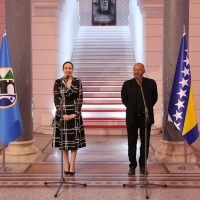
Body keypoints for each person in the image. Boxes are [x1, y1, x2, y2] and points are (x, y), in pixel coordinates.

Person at [121, 62, 158, 175]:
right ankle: (132, 165)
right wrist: (132, 108)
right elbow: (124, 99)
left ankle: (143, 165)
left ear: (143, 71)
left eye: (139, 70)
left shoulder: (151, 83)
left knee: (145, 143)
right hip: (132, 118)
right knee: (131, 143)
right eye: (135, 69)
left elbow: (154, 98)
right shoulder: (127, 84)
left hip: (145, 118)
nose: (136, 72)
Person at [52, 61, 86, 176]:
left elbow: (80, 98)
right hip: (62, 114)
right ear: (63, 70)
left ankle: (73, 164)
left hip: (74, 114)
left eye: (70, 68)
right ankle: (66, 163)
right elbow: (56, 98)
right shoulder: (58, 82)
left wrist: (75, 113)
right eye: (66, 68)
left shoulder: (78, 82)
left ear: (73, 69)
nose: (68, 70)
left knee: (73, 141)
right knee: (64, 141)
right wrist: (62, 114)